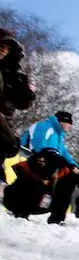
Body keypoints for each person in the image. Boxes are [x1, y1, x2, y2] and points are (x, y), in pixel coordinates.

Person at [2, 148, 77, 222]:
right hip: (16, 200)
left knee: (64, 190)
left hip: (44, 202)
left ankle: (56, 219)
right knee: (29, 186)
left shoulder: (64, 172)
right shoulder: (29, 167)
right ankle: (21, 212)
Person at [0, 29, 36, 161]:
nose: (3, 50)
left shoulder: (10, 73)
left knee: (11, 145)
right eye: (1, 46)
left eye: (7, 48)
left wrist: (26, 92)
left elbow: (23, 103)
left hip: (5, 124)